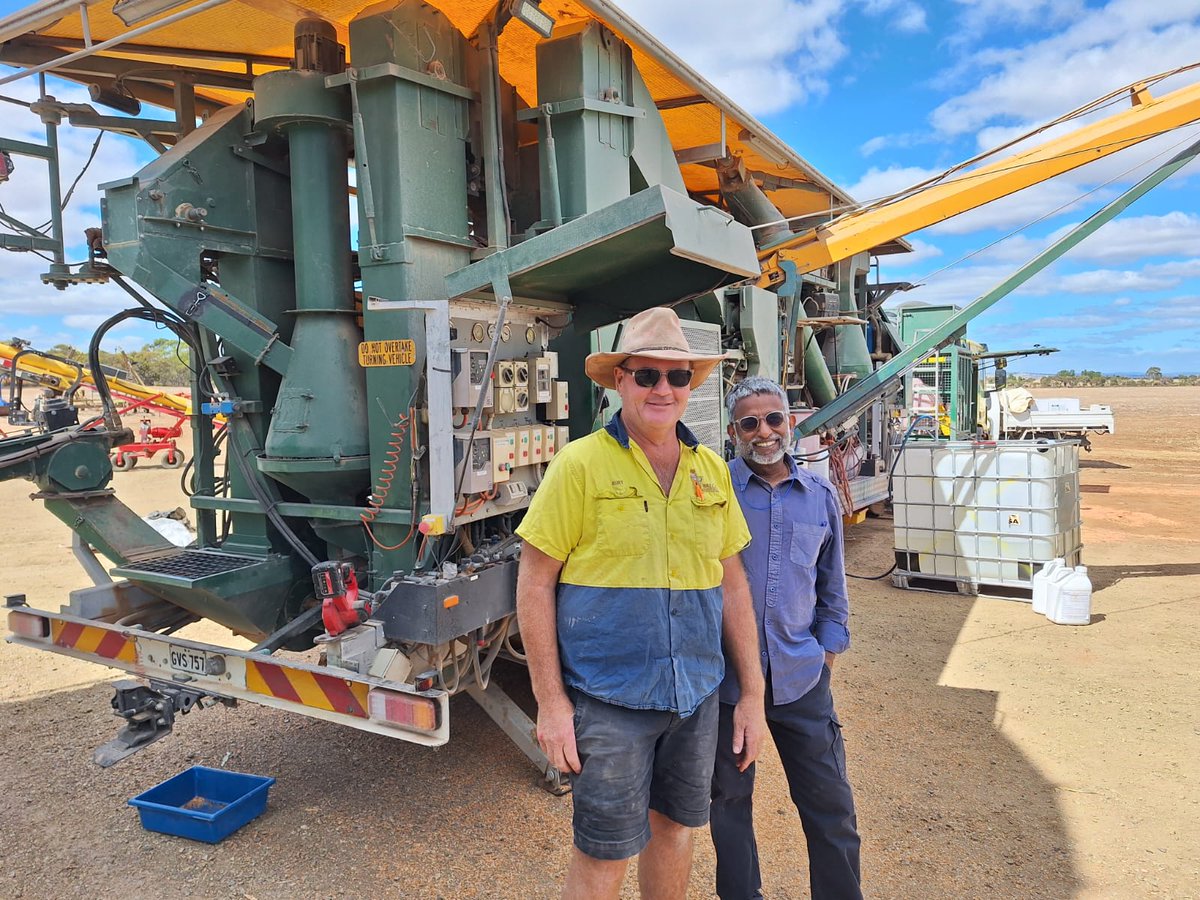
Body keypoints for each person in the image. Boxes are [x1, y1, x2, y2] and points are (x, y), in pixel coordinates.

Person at [516, 307, 767, 900]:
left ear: (690, 386)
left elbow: (732, 584)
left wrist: (752, 694)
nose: (663, 388)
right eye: (647, 374)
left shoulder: (711, 471)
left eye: (677, 376)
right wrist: (551, 703)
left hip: (696, 695)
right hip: (609, 699)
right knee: (603, 855)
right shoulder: (579, 464)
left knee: (677, 832)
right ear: (620, 381)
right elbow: (533, 584)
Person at [710, 376, 862, 900]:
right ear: (734, 432)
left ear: (789, 423)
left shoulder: (818, 496)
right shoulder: (714, 493)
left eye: (773, 419)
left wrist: (825, 659)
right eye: (750, 423)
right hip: (729, 685)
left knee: (830, 807)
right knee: (728, 808)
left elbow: (831, 589)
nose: (764, 432)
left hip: (801, 679)